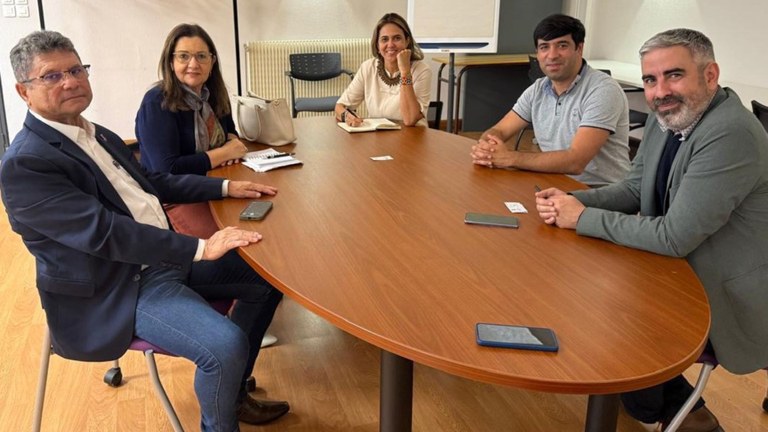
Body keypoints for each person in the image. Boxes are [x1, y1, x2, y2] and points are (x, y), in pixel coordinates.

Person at [2, 30, 290, 431]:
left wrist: (226, 186)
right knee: (224, 345)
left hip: (160, 261)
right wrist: (199, 248)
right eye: (51, 76)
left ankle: (232, 391)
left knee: (266, 280)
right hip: (117, 285)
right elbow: (104, 233)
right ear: (23, 91)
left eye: (75, 70)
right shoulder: (26, 163)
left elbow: (152, 181)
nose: (70, 81)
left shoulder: (95, 132)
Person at [535, 28, 768, 431]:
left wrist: (582, 218)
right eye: (650, 80)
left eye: (674, 75)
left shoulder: (730, 133)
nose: (660, 92)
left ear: (710, 75)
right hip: (676, 268)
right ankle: (678, 408)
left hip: (723, 291)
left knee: (607, 321)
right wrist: (574, 201)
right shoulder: (672, 117)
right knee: (584, 291)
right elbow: (632, 188)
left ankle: (672, 410)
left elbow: (674, 236)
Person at [135, 23, 279, 348]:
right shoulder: (156, 103)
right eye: (183, 56)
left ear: (212, 60)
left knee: (265, 226)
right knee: (239, 251)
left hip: (210, 185)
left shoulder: (211, 96)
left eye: (201, 56)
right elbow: (165, 170)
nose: (193, 64)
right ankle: (235, 319)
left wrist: (225, 151)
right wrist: (219, 156)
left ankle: (251, 308)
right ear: (170, 61)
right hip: (176, 199)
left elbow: (230, 137)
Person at [470, 14, 630, 187]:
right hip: (555, 181)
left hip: (600, 192)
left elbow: (576, 162)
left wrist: (509, 158)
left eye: (562, 45)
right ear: (537, 54)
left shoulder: (603, 90)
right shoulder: (537, 90)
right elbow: (500, 130)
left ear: (579, 48)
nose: (552, 55)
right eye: (544, 47)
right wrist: (487, 146)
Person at [335, 12, 432, 127]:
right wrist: (347, 116)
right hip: (378, 138)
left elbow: (410, 119)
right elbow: (339, 106)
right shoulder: (368, 68)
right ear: (377, 45)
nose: (390, 44)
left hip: (412, 137)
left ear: (407, 41)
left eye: (397, 38)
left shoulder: (422, 71)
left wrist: (405, 72)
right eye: (384, 39)